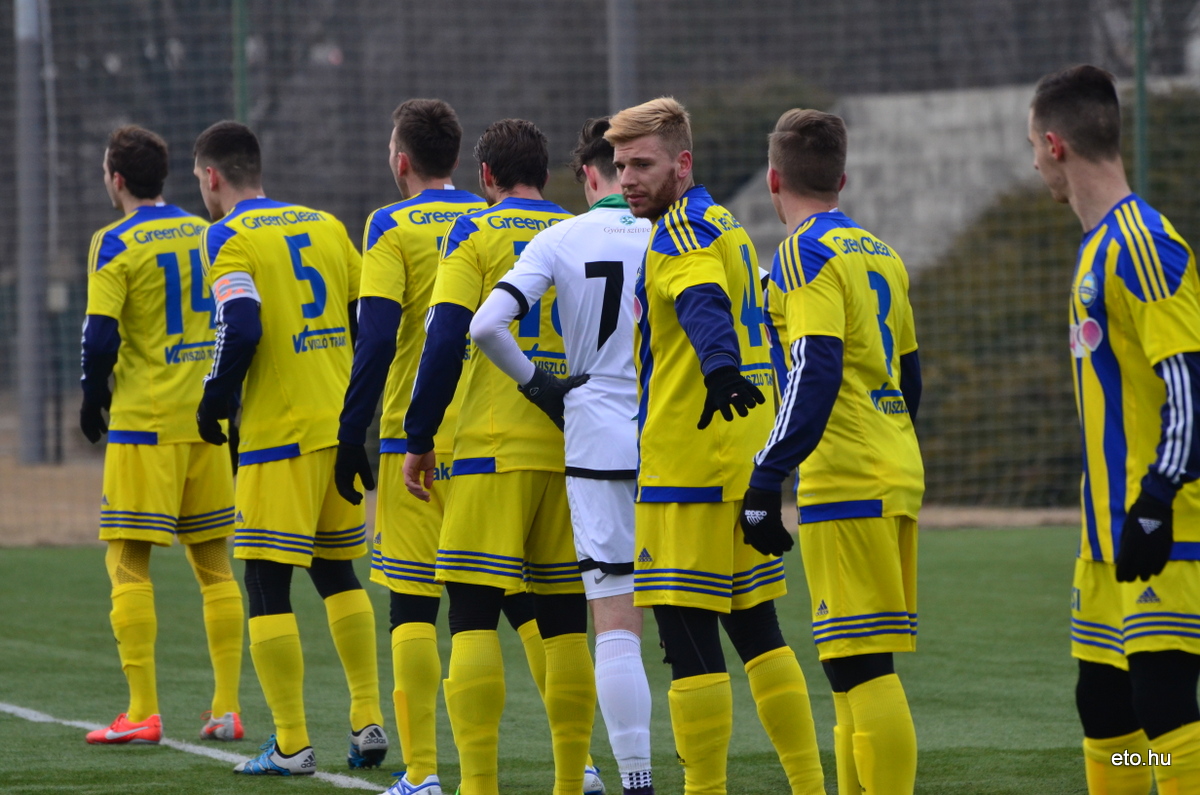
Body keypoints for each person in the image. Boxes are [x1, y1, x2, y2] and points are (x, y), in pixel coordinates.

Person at [335, 99, 568, 795]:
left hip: (422, 436)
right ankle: (579, 762)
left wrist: (354, 429)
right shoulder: (539, 223)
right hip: (508, 433)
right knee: (529, 603)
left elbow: (379, 336)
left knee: (415, 605)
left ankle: (423, 773)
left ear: (401, 159)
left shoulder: (393, 224)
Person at [605, 97, 824, 795]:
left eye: (642, 164)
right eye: (619, 165)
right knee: (759, 631)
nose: (628, 179)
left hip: (687, 467)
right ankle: (810, 785)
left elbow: (702, 301)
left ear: (683, 163)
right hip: (742, 459)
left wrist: (720, 366)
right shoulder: (723, 222)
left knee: (688, 642)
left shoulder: (678, 231)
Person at [402, 119, 598, 795]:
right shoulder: (581, 232)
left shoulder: (474, 231)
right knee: (565, 622)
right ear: (545, 174)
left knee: (472, 615)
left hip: (492, 447)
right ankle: (571, 781)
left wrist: (420, 435)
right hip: (572, 448)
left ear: (485, 176)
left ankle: (478, 785)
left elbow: (447, 336)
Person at [192, 120, 387, 775]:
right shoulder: (326, 225)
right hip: (338, 428)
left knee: (264, 579)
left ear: (212, 177)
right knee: (336, 573)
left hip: (279, 437)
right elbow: (366, 320)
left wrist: (215, 399)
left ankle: (291, 743)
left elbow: (240, 324)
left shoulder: (227, 235)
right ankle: (367, 721)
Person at [470, 117, 655, 795]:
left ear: (586, 175)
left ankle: (637, 778)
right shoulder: (680, 233)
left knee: (614, 625)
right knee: (719, 625)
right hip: (672, 441)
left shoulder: (560, 238)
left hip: (597, 439)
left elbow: (485, 325)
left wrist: (541, 386)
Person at [1029, 64, 1200, 795]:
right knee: (1104, 709)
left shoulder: (1144, 243)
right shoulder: (1096, 248)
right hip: (1104, 533)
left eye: (1032, 145)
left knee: (1164, 705)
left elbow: (1189, 382)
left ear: (1056, 145)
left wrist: (1158, 497)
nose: (1034, 162)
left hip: (1161, 520)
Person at [745, 108, 924, 795]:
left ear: (773, 179)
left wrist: (767, 474)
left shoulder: (801, 252)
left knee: (862, 668)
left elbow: (814, 365)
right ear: (841, 179)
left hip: (847, 474)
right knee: (849, 664)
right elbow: (909, 376)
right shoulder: (881, 252)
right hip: (891, 461)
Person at [80, 124, 244, 746]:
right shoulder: (206, 232)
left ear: (117, 179)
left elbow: (99, 335)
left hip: (145, 424)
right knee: (214, 562)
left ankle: (143, 711)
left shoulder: (114, 242)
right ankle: (226, 709)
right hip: (205, 421)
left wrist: (92, 397)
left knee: (127, 560)